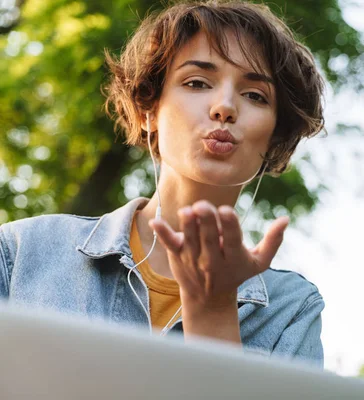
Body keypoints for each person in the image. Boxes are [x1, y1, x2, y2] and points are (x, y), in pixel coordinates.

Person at [0, 0, 326, 366]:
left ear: (275, 136)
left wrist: (214, 313)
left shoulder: (292, 310)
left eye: (255, 95)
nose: (225, 107)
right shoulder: (20, 252)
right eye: (197, 82)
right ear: (147, 110)